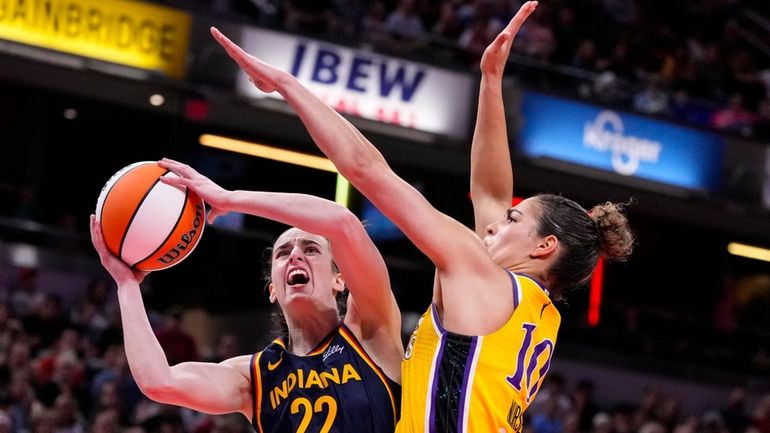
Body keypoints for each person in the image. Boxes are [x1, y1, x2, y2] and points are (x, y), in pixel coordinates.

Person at [209, 0, 634, 430]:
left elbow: (365, 169)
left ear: (545, 247)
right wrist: (490, 81)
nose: (493, 222)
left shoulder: (479, 274)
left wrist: (286, 85)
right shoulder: (534, 311)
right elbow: (489, 191)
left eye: (513, 220)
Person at [88, 160, 403, 432]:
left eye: (310, 249)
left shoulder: (370, 330)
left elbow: (344, 224)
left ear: (340, 279)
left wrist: (231, 199)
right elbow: (159, 382)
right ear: (272, 291)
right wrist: (127, 285)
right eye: (282, 253)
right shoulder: (255, 377)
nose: (295, 256)